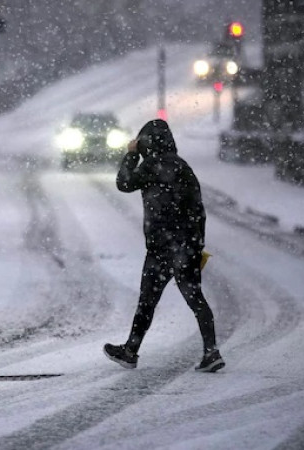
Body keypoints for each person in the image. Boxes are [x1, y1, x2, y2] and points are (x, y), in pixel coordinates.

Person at [103, 119, 224, 373]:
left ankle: (130, 352)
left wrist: (130, 155)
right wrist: (196, 244)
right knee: (196, 298)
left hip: (160, 248)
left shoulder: (150, 166)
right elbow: (199, 210)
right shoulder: (183, 167)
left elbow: (123, 183)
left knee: (147, 301)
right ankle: (211, 352)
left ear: (147, 143)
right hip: (186, 246)